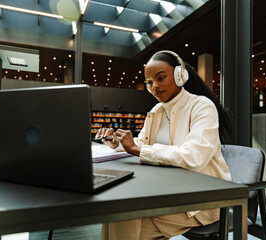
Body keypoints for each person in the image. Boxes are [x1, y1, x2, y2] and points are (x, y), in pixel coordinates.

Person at [96, 50, 233, 240]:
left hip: (204, 201)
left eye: (161, 78)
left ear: (180, 75)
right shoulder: (157, 110)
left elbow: (194, 157)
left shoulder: (201, 106)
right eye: (150, 82)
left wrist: (138, 149)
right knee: (119, 210)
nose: (155, 86)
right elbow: (142, 143)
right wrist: (119, 143)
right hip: (169, 191)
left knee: (123, 217)